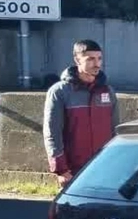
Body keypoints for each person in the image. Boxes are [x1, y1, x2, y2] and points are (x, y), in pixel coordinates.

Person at [43, 39, 118, 186]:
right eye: (90, 59)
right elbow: (52, 132)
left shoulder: (108, 91)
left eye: (99, 58)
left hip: (104, 168)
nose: (97, 64)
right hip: (73, 171)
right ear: (77, 59)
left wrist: (116, 164)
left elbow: (115, 131)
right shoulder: (60, 92)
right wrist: (61, 170)